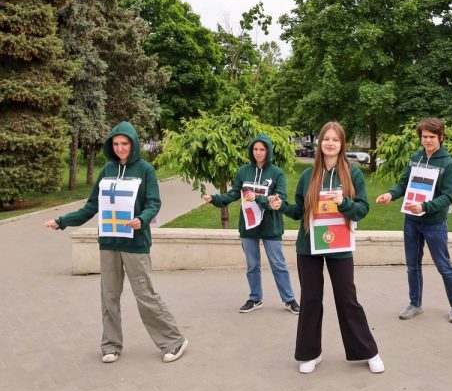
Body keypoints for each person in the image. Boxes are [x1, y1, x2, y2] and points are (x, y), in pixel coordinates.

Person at [44, 122, 188, 363]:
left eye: (125, 144)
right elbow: (92, 206)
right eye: (116, 144)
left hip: (135, 243)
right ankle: (111, 344)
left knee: (145, 296)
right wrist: (62, 221)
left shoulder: (145, 170)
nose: (120, 148)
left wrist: (141, 219)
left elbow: (154, 203)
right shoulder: (107, 170)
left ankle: (174, 341)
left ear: (132, 144)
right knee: (109, 296)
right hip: (109, 242)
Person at [270, 121, 384, 374]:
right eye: (326, 139)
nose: (330, 143)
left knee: (347, 299)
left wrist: (344, 203)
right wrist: (281, 206)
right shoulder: (307, 175)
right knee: (310, 299)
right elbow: (299, 210)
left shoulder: (352, 174)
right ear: (320, 143)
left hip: (340, 245)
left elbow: (363, 209)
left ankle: (368, 351)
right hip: (309, 246)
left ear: (342, 144)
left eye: (335, 139)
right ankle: (310, 353)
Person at [375, 118, 452, 323]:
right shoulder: (415, 158)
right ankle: (415, 304)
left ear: (441, 137)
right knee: (412, 265)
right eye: (424, 137)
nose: (428, 140)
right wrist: (390, 194)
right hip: (411, 221)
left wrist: (425, 207)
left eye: (432, 137)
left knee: (443, 265)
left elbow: (448, 197)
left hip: (434, 223)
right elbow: (403, 184)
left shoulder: (448, 164)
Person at [203, 134, 300, 315]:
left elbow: (281, 199)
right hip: (248, 225)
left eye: (262, 149)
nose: (258, 153)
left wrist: (261, 199)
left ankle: (289, 299)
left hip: (271, 226)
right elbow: (233, 194)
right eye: (255, 149)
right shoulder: (244, 171)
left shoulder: (277, 173)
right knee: (252, 265)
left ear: (268, 151)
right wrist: (214, 199)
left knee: (278, 264)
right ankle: (255, 298)